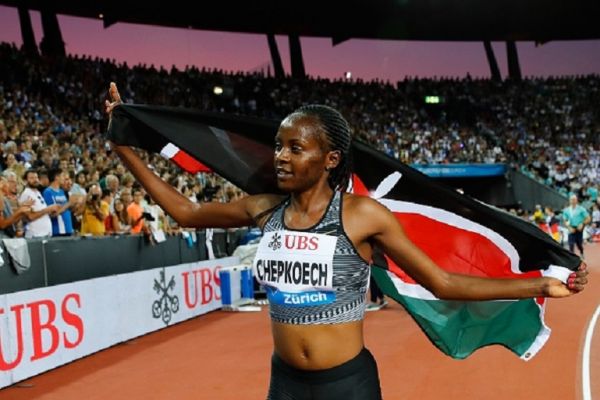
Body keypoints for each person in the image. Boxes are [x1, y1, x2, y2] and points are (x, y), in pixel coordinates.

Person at [105, 83, 588, 400]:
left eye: (296, 148)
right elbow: (185, 211)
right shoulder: (263, 207)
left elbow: (441, 282)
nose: (281, 157)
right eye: (278, 146)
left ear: (331, 158)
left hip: (347, 385)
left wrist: (537, 287)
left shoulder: (361, 216)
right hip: (285, 383)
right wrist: (124, 145)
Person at [18, 169, 61, 239]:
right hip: (35, 235)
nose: (35, 180)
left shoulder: (37, 192)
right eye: (32, 178)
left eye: (36, 177)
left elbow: (40, 212)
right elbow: (30, 217)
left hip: (45, 234)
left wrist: (51, 211)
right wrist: (47, 209)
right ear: (25, 181)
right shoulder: (26, 194)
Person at [42, 168, 75, 236]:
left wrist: (72, 205)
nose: (64, 179)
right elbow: (52, 214)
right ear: (57, 177)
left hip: (68, 229)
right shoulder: (48, 192)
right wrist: (68, 204)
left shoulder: (62, 191)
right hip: (58, 230)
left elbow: (66, 209)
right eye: (62, 176)